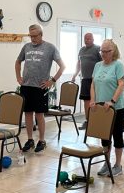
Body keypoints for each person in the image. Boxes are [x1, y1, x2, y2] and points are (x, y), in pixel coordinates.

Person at [15, 24, 65, 153]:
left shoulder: (50, 48)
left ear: (41, 34)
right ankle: (30, 139)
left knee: (39, 114)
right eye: (31, 36)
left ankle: (42, 140)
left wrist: (52, 81)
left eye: (35, 36)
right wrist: (18, 77)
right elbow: (18, 62)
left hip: (40, 87)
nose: (32, 38)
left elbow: (62, 66)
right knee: (28, 113)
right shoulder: (26, 47)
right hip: (26, 86)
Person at [90, 39, 124, 176]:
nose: (104, 54)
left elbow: (121, 84)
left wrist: (112, 101)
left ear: (114, 51)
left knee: (117, 135)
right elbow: (93, 84)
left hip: (116, 107)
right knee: (104, 137)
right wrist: (93, 100)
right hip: (101, 107)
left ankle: (118, 165)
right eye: (102, 51)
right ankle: (106, 162)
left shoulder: (118, 65)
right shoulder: (98, 65)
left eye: (107, 51)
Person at [71, 33, 101, 129]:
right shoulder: (81, 50)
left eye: (89, 38)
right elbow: (79, 63)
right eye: (85, 39)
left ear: (93, 39)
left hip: (95, 79)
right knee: (86, 100)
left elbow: (103, 63)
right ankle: (88, 121)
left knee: (96, 100)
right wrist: (75, 75)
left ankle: (97, 120)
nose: (87, 40)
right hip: (84, 79)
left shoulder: (97, 49)